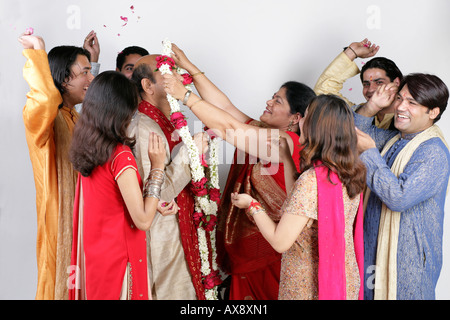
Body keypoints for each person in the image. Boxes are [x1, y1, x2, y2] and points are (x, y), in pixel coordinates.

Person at [163, 45, 316, 300]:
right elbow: (226, 108)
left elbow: (227, 128)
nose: (269, 101)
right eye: (272, 96)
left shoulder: (286, 142)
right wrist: (191, 68)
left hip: (270, 254)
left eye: (278, 101)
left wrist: (185, 95)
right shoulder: (262, 131)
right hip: (248, 252)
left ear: (295, 118)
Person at [230, 95, 366, 300]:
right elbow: (304, 205)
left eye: (306, 116)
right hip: (343, 278)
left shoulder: (313, 180)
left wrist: (252, 205)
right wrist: (286, 158)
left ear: (316, 127)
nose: (300, 120)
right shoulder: (349, 171)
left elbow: (279, 241)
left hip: (308, 284)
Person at [68, 71, 166, 300]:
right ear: (124, 110)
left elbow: (110, 200)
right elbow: (142, 220)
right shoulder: (120, 155)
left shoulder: (88, 148)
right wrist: (158, 167)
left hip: (95, 260)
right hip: (121, 261)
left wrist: (155, 203)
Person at [354, 73, 450, 300]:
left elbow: (399, 198)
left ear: (433, 113)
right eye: (400, 99)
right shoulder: (395, 139)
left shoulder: (433, 152)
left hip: (408, 264)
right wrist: (372, 106)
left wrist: (369, 153)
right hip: (373, 252)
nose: (400, 107)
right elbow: (353, 134)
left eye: (412, 103)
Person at [18, 31, 94, 300]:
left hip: (83, 221)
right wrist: (38, 51)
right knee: (58, 286)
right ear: (63, 79)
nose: (91, 78)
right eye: (84, 72)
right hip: (59, 220)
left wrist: (90, 61)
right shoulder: (41, 118)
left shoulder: (72, 115)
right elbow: (46, 99)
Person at [128, 55, 209, 300]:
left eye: (174, 71)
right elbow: (155, 193)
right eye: (165, 72)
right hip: (164, 239)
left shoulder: (164, 121)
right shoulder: (144, 128)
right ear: (147, 86)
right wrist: (190, 153)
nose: (175, 78)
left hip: (180, 231)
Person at [314, 38, 403, 129]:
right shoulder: (357, 111)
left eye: (379, 82)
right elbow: (323, 94)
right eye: (366, 84)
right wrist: (351, 52)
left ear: (396, 83)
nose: (371, 89)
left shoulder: (408, 117)